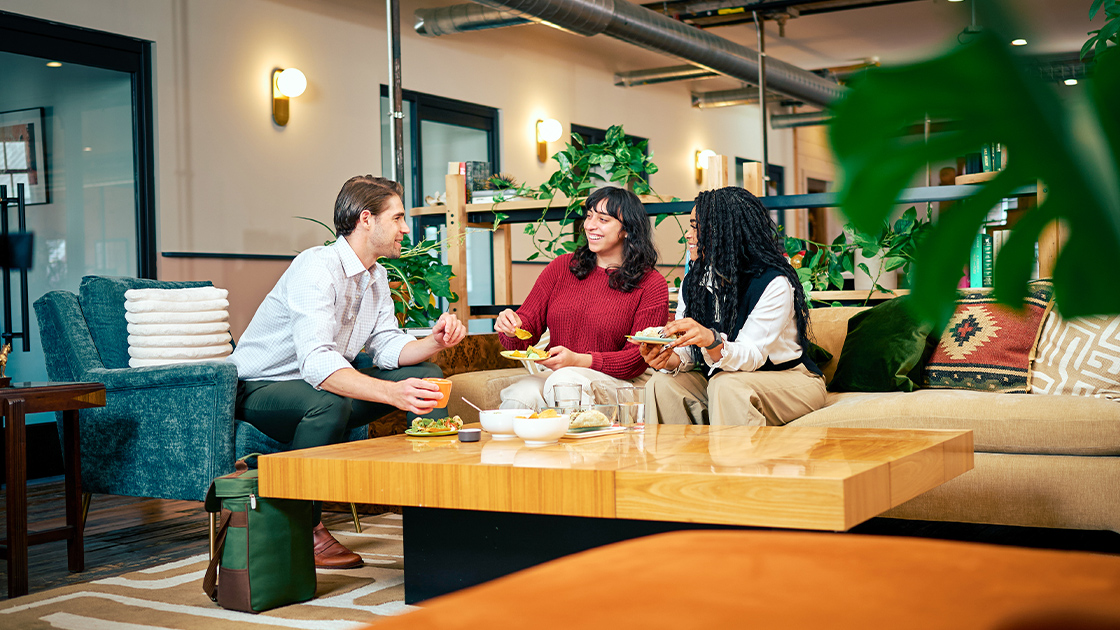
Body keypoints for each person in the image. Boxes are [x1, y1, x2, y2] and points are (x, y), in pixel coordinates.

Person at [229, 175, 466, 568]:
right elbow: (318, 362)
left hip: (322, 388)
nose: (406, 228)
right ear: (366, 219)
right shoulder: (316, 268)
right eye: (399, 217)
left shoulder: (377, 276)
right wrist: (392, 393)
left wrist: (434, 341)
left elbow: (388, 345)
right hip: (261, 388)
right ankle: (301, 526)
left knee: (427, 377)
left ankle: (437, 512)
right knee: (329, 406)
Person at [640, 186, 825, 426]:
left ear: (724, 231)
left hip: (789, 378)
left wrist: (712, 340)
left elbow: (752, 355)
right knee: (661, 384)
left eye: (695, 227)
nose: (687, 235)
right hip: (723, 376)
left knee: (726, 385)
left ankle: (735, 463)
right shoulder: (694, 280)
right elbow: (691, 354)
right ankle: (678, 463)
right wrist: (669, 358)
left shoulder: (773, 283)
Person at [494, 186, 668, 409]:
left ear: (627, 229)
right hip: (562, 375)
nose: (590, 225)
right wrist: (511, 326)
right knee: (520, 395)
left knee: (564, 383)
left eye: (603, 219)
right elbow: (524, 332)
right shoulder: (562, 267)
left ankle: (579, 445)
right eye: (589, 216)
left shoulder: (651, 284)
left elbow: (636, 359)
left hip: (622, 383)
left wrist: (578, 360)